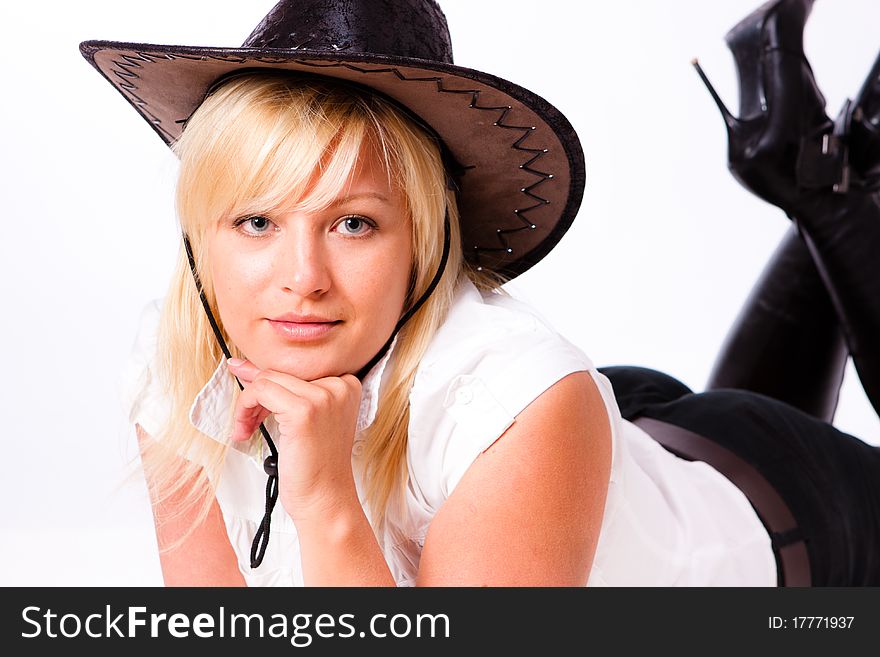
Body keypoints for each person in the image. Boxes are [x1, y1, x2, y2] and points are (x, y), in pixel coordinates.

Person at [81, 0, 880, 587]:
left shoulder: (517, 398)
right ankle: (821, 170)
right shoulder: (177, 366)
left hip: (787, 516)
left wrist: (324, 499)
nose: (302, 277)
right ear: (200, 234)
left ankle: (830, 188)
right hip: (620, 456)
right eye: (256, 220)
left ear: (423, 240)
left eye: (354, 224)